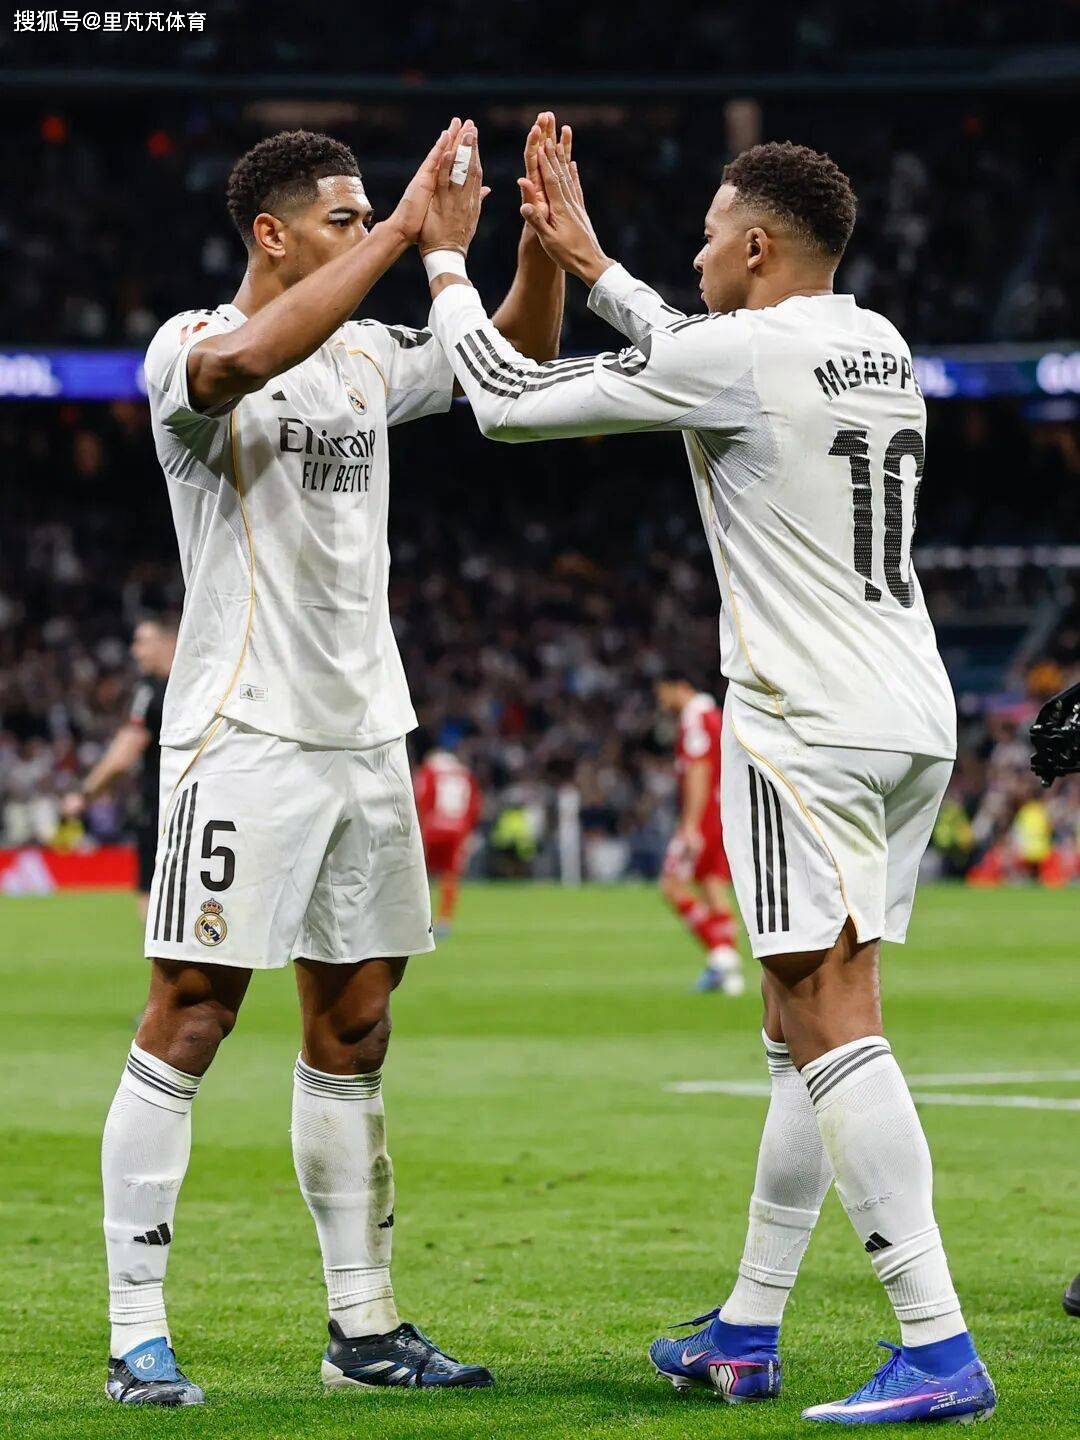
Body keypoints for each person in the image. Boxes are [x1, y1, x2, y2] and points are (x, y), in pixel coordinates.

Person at [420, 130, 995, 1424]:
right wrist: (596, 268)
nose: (693, 253)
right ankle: (746, 1328)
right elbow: (701, 345)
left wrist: (451, 263)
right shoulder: (879, 341)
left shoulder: (738, 355)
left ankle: (938, 1346)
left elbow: (505, 400)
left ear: (756, 248)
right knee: (798, 1025)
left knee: (831, 1020)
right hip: (911, 711)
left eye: (708, 233)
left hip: (803, 719)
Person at [101, 115, 568, 1405]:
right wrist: (408, 232)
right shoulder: (190, 346)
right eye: (346, 219)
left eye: (370, 216)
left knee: (356, 1024)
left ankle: (363, 1331)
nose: (369, 234)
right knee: (193, 1013)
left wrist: (531, 245)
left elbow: (517, 360)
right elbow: (253, 356)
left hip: (367, 737)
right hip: (243, 734)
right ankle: (136, 1333)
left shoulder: (367, 357)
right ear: (272, 233)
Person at [63, 617, 176, 921]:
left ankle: (158, 953)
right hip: (208, 803)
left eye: (142, 642)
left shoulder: (150, 689)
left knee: (152, 889)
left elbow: (126, 748)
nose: (135, 651)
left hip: (162, 805)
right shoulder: (204, 681)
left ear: (169, 642)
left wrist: (85, 793)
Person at [654, 677, 742, 994]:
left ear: (679, 686)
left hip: (703, 816)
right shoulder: (715, 715)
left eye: (662, 692)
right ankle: (729, 976)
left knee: (671, 885)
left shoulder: (695, 717)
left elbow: (698, 768)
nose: (660, 701)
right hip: (722, 813)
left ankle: (722, 955)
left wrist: (690, 824)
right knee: (712, 885)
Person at [413, 745, 481, 936]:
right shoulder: (464, 773)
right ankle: (444, 920)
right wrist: (468, 831)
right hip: (458, 828)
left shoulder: (429, 770)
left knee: (419, 873)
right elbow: (474, 804)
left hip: (433, 827)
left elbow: (422, 798)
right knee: (450, 875)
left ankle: (417, 919)